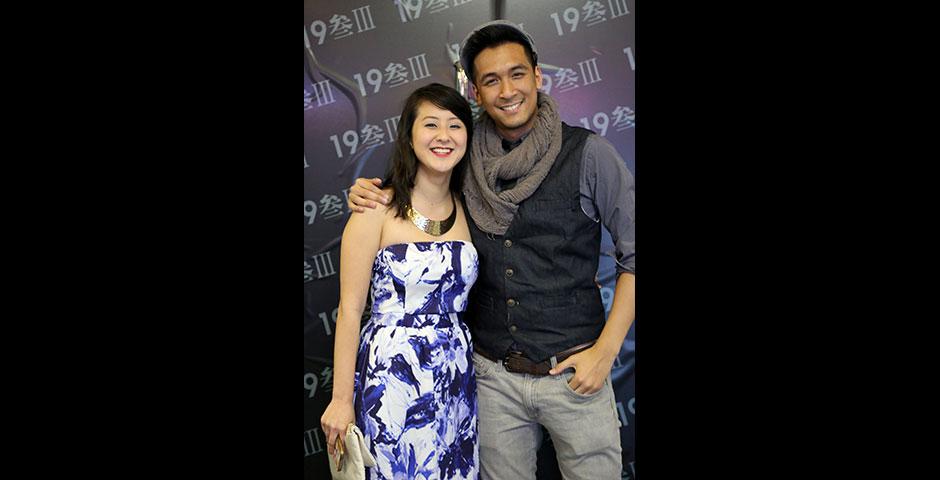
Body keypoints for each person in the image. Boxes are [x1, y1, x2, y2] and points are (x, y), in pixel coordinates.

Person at [348, 21, 635, 479]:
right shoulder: (463, 159)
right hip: (490, 379)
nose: (507, 91)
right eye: (491, 80)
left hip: (574, 374)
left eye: (517, 74)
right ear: (476, 93)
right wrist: (369, 192)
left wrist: (606, 351)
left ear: (537, 76)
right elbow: (420, 189)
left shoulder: (589, 154)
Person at [321, 83, 480, 480]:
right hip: (393, 377)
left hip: (456, 375)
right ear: (409, 136)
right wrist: (341, 399)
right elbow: (350, 310)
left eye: (455, 125)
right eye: (431, 124)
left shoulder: (472, 207)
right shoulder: (374, 207)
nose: (444, 136)